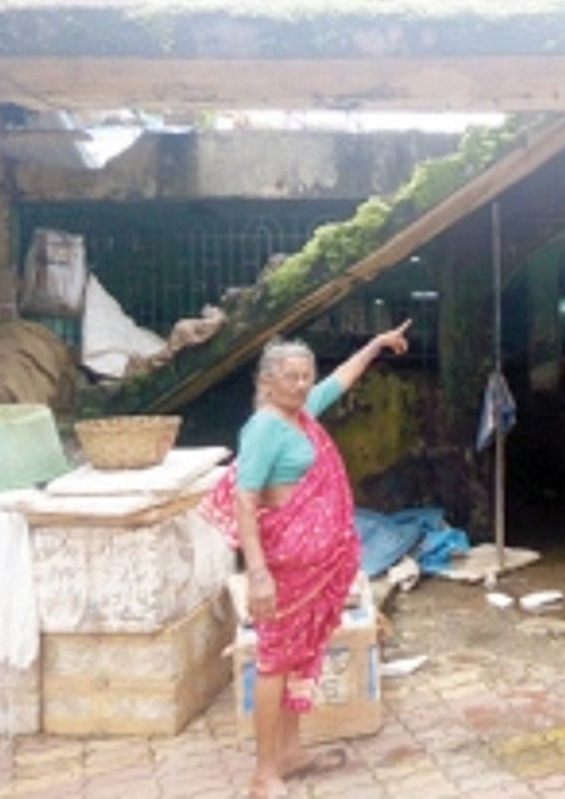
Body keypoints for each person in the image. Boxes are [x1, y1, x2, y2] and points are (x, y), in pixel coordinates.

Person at [202, 321, 410, 799]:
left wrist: (376, 344)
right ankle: (263, 773)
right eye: (290, 377)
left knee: (299, 656)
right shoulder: (264, 428)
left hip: (318, 568)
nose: (300, 384)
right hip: (283, 569)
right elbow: (243, 499)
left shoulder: (302, 415)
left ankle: (291, 753)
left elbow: (340, 380)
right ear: (267, 382)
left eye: (304, 376)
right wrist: (257, 575)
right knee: (275, 661)